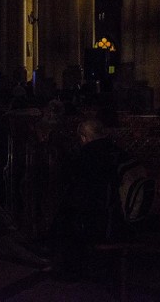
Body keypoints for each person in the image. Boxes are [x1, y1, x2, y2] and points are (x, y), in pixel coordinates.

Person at [49, 119, 129, 277]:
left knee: (63, 218)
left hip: (91, 211)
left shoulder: (84, 155)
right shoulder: (118, 151)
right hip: (117, 209)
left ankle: (68, 268)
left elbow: (71, 180)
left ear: (84, 138)